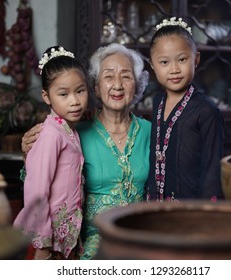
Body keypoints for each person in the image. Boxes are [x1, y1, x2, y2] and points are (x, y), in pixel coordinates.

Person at [20, 43, 151, 260]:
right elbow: (39, 182)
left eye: (126, 76)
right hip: (92, 245)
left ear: (137, 85)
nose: (117, 85)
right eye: (108, 76)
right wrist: (27, 154)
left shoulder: (152, 132)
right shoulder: (73, 132)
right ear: (96, 87)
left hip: (141, 239)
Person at [13, 46, 89, 260]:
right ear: (46, 97)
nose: (74, 101)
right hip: (47, 241)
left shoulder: (69, 130)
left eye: (80, 91)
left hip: (65, 235)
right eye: (63, 94)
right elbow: (37, 191)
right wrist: (43, 242)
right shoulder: (50, 135)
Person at [146, 17, 225, 202]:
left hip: (189, 212)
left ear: (196, 59)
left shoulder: (207, 111)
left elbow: (212, 172)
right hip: (155, 208)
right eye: (164, 62)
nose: (174, 69)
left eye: (182, 59)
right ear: (152, 65)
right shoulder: (158, 102)